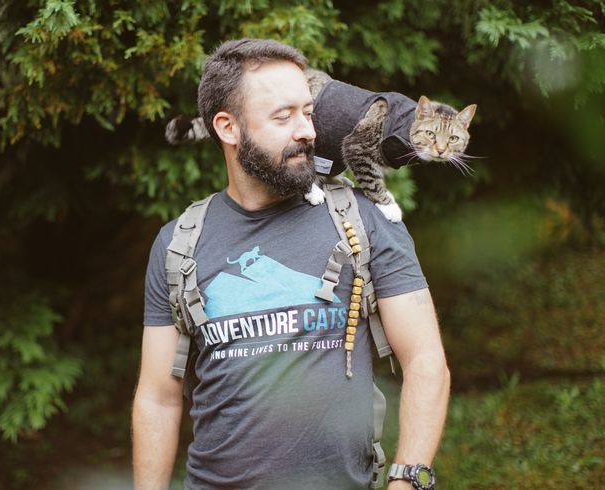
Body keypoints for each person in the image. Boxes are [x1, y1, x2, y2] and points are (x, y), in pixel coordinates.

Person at [132, 38, 450, 490]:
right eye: (284, 117)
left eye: (308, 112)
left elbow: (425, 359)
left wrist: (407, 480)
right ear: (227, 127)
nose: (307, 131)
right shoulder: (179, 243)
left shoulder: (365, 221)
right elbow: (159, 398)